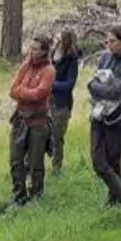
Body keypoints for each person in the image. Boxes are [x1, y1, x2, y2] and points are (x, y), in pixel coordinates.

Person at [88, 26, 121, 206]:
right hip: (98, 114)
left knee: (113, 161)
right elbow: (93, 83)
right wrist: (99, 88)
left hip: (117, 118)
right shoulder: (105, 57)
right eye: (107, 41)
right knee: (98, 161)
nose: (108, 45)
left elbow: (118, 92)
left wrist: (98, 88)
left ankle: (117, 200)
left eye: (112, 41)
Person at [8, 35, 56, 206]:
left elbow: (40, 94)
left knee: (36, 162)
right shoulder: (26, 66)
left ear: (44, 51)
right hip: (20, 119)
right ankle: (18, 196)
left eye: (36, 49)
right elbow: (12, 90)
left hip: (38, 122)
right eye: (31, 48)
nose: (32, 52)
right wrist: (26, 92)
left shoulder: (48, 70)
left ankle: (36, 197)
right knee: (16, 159)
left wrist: (23, 91)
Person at [50, 30, 80, 173]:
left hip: (61, 104)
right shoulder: (50, 58)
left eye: (61, 40)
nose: (58, 43)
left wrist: (50, 84)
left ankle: (57, 167)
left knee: (57, 137)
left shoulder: (71, 60)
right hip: (45, 102)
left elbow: (69, 85)